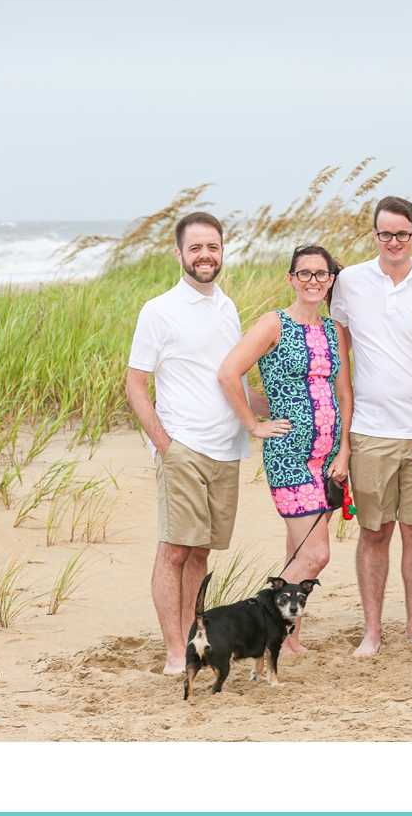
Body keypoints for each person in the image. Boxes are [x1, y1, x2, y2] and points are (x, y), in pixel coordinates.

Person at [126, 211, 279, 675]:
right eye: (195, 248)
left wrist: (280, 405)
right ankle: (175, 653)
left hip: (226, 449)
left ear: (222, 251)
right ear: (179, 254)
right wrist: (165, 445)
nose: (205, 255)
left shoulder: (227, 307)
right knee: (174, 550)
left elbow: (230, 380)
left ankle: (196, 639)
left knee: (199, 553)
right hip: (184, 449)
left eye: (212, 246)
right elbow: (135, 385)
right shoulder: (158, 310)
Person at [330, 195, 412, 657]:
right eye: (385, 233)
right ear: (375, 234)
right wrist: (342, 434)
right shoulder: (348, 283)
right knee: (374, 532)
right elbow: (340, 350)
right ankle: (371, 632)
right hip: (368, 431)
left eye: (402, 233)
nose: (393, 241)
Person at [217, 244, 353, 654]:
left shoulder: (334, 329)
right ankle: (260, 627)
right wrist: (254, 424)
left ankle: (289, 642)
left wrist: (344, 451)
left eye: (321, 274)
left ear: (331, 280)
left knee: (298, 549)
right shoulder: (274, 323)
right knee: (316, 554)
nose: (313, 280)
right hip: (290, 456)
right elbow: (228, 372)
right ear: (292, 279)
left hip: (328, 457)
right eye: (305, 273)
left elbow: (344, 392)